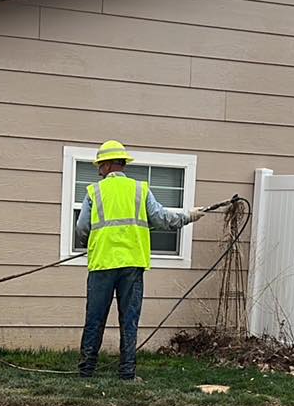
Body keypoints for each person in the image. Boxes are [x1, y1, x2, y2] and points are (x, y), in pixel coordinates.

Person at [72, 140, 205, 380]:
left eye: (100, 165)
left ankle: (86, 372)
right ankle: (127, 374)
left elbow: (82, 227)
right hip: (132, 265)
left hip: (102, 263)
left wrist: (87, 243)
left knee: (95, 318)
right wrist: (189, 216)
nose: (98, 169)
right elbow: (161, 219)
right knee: (129, 319)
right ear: (122, 164)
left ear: (108, 164)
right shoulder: (140, 190)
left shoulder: (94, 191)